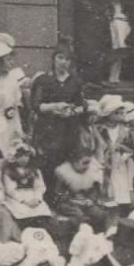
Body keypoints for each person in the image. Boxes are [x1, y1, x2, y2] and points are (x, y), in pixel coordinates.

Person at [30, 44, 89, 179]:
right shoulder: (43, 80)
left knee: (68, 161)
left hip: (69, 128)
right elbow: (36, 105)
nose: (63, 62)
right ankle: (48, 196)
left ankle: (64, 195)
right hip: (49, 128)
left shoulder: (75, 82)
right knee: (48, 163)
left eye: (67, 59)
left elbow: (83, 105)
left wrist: (72, 112)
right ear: (53, 59)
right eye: (60, 58)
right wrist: (55, 106)